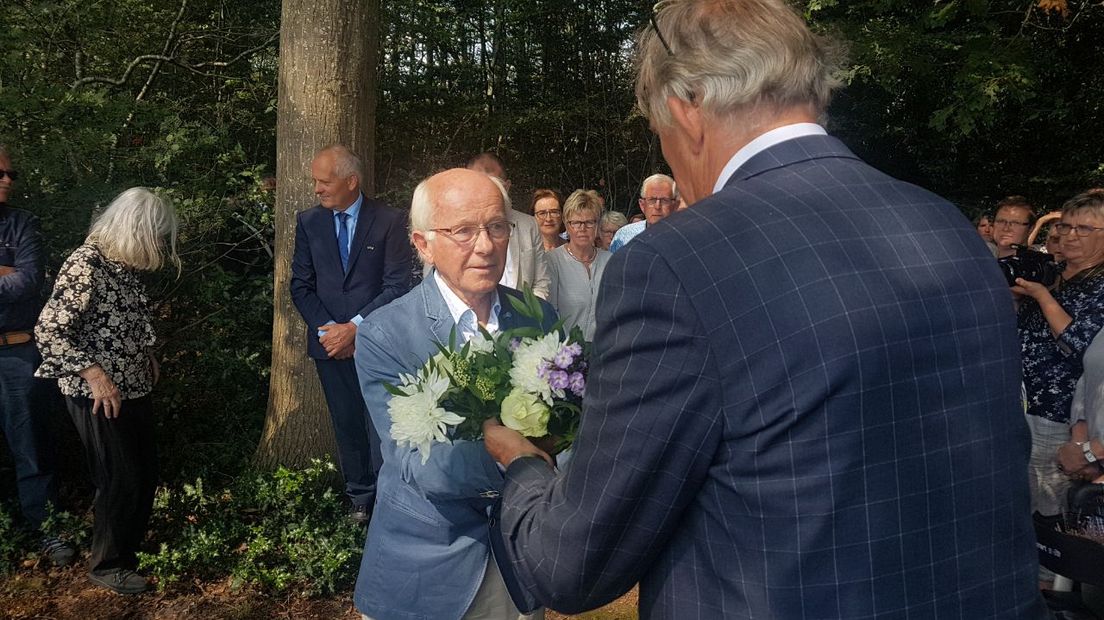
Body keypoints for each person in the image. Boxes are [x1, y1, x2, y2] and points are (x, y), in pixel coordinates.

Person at [482, 1, 1047, 617]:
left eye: (657, 132)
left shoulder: (678, 261)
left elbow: (573, 566)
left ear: (685, 107)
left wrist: (524, 469)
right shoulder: (944, 225)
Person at [352, 168, 553, 620]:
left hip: (522, 562)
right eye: (463, 231)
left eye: (496, 227)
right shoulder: (387, 334)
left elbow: (569, 424)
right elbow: (417, 461)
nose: (485, 246)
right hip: (428, 571)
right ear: (423, 244)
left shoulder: (537, 317)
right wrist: (520, 458)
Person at [35, 187, 179, 594]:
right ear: (137, 229)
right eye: (156, 235)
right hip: (99, 393)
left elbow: (127, 319)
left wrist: (147, 352)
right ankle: (107, 564)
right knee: (119, 476)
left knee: (143, 471)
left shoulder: (122, 265)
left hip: (132, 388)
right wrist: (95, 375)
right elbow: (49, 331)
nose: (159, 245)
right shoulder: (86, 264)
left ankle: (128, 551)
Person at [290, 145, 413, 523]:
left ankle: (390, 498)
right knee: (346, 423)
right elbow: (300, 285)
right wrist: (331, 332)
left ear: (351, 181)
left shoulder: (390, 220)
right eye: (315, 181)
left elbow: (398, 285)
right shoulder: (309, 222)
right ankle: (360, 498)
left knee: (381, 424)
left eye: (324, 181)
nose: (317, 189)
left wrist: (356, 328)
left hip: (377, 343)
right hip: (329, 344)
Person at [0, 145, 75, 566]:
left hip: (16, 351)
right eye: (1, 173)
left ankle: (47, 529)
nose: (8, 180)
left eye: (12, 174)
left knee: (32, 447)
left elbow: (27, 283)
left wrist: (13, 275)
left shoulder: (22, 224)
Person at [1014, 189, 1104, 526]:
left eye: (1084, 229)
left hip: (1061, 415)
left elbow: (1078, 346)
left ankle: (1050, 579)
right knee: (1022, 502)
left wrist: (1040, 296)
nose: (1070, 236)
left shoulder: (1099, 286)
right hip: (1022, 404)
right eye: (1066, 227)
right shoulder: (1054, 275)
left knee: (1052, 512)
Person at [466, 153, 550, 299]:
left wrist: (529, 315)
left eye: (493, 184)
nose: (485, 192)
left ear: (507, 186)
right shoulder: (451, 227)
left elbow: (541, 282)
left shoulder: (529, 225)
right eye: (477, 185)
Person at [545, 190, 610, 340]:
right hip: (565, 355)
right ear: (567, 226)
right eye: (576, 223)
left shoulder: (610, 261)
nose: (582, 228)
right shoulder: (552, 262)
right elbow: (550, 315)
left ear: (598, 225)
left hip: (604, 353)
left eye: (589, 222)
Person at [608, 174, 676, 252]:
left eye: (664, 200)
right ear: (642, 205)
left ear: (674, 205)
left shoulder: (685, 238)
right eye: (652, 200)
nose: (657, 206)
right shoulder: (624, 236)